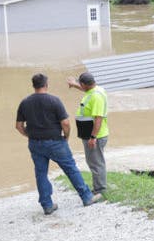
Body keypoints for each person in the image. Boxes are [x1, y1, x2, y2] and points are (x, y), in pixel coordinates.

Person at [15, 73, 103, 214]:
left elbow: (19, 126)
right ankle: (87, 197)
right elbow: (65, 123)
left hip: (35, 144)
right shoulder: (54, 101)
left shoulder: (25, 102)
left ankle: (47, 205)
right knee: (70, 168)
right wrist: (66, 137)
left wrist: (29, 135)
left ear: (33, 86)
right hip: (56, 142)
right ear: (46, 85)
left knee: (41, 173)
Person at [67, 72, 110, 195]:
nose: (80, 86)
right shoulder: (95, 90)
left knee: (96, 163)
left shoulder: (96, 97)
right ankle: (98, 187)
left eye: (80, 84)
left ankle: (100, 189)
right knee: (94, 161)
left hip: (95, 135)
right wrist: (74, 85)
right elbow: (85, 89)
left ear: (84, 84)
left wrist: (93, 137)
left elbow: (98, 118)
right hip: (91, 134)